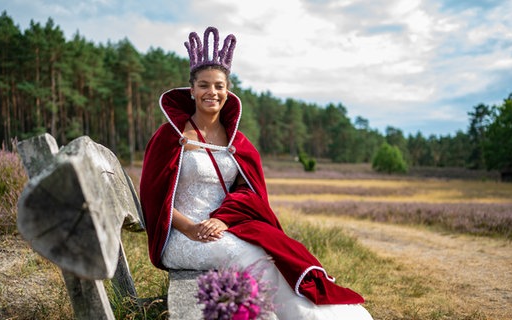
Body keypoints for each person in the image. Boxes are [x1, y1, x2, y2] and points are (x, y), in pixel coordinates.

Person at [140, 26, 373, 320]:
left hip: (223, 229)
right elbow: (152, 199)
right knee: (248, 257)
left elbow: (246, 192)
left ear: (227, 90)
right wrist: (192, 228)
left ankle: (313, 313)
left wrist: (222, 220)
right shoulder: (170, 136)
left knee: (271, 252)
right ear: (192, 90)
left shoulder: (236, 141)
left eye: (219, 86)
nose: (212, 92)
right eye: (204, 85)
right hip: (182, 236)